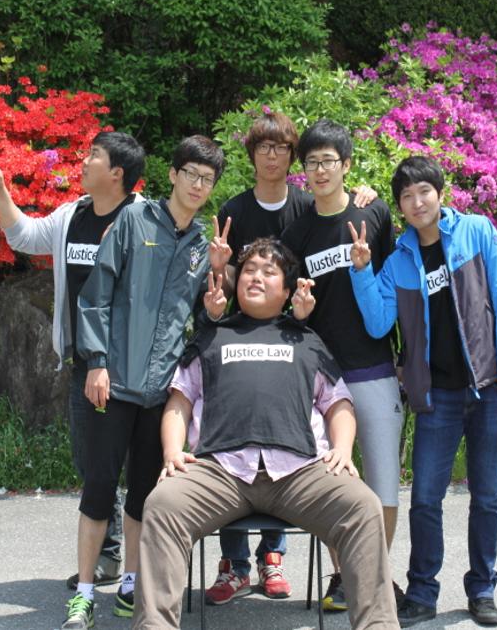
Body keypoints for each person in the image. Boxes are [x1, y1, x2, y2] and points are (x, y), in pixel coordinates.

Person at [132, 238, 400, 630]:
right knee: (162, 504)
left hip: (299, 471)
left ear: (288, 291)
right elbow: (180, 400)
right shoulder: (211, 336)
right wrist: (172, 451)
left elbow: (338, 403)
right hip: (221, 469)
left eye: (269, 272)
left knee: (363, 506)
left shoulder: (307, 341)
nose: (256, 278)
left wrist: (342, 449)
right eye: (249, 271)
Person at [205, 111, 378, 605]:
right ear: (252, 155)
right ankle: (235, 563)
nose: (273, 156)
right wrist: (219, 274)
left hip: (294, 335)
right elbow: (225, 282)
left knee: (285, 436)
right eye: (264, 148)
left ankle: (272, 557)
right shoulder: (235, 209)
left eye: (282, 148)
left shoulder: (305, 205)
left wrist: (364, 193)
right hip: (240, 337)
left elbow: (338, 213)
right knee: (233, 435)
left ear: (292, 157)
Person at [348, 156, 497, 627]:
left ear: (440, 193)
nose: (417, 202)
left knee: (486, 496)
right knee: (426, 498)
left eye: (423, 191)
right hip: (436, 396)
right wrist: (362, 272)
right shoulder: (398, 261)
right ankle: (422, 592)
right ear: (400, 207)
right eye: (407, 196)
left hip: (490, 387)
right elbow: (378, 322)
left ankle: (482, 588)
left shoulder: (477, 232)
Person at [62, 135, 230, 630]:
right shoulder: (134, 220)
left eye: (207, 179)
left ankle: (131, 585)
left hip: (160, 391)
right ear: (173, 175)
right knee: (98, 488)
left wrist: (214, 298)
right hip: (113, 384)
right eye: (190, 174)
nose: (197, 185)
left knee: (143, 494)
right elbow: (96, 295)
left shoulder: (202, 245)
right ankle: (85, 593)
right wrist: (96, 362)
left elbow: (202, 321)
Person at [0, 131, 145, 591]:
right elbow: (25, 236)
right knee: (89, 461)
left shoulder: (142, 220)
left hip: (133, 366)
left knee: (139, 465)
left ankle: (140, 565)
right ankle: (107, 553)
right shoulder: (73, 215)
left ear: (117, 173)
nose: (84, 160)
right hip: (84, 364)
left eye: (94, 155)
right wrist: (1, 193)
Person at [280, 119, 404, 612]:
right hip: (323, 378)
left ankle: (375, 578)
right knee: (333, 483)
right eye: (311, 163)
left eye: (328, 161)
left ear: (346, 165)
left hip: (373, 368)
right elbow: (290, 308)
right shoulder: (297, 232)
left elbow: (393, 286)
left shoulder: (374, 212)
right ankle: (341, 577)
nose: (320, 170)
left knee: (383, 480)